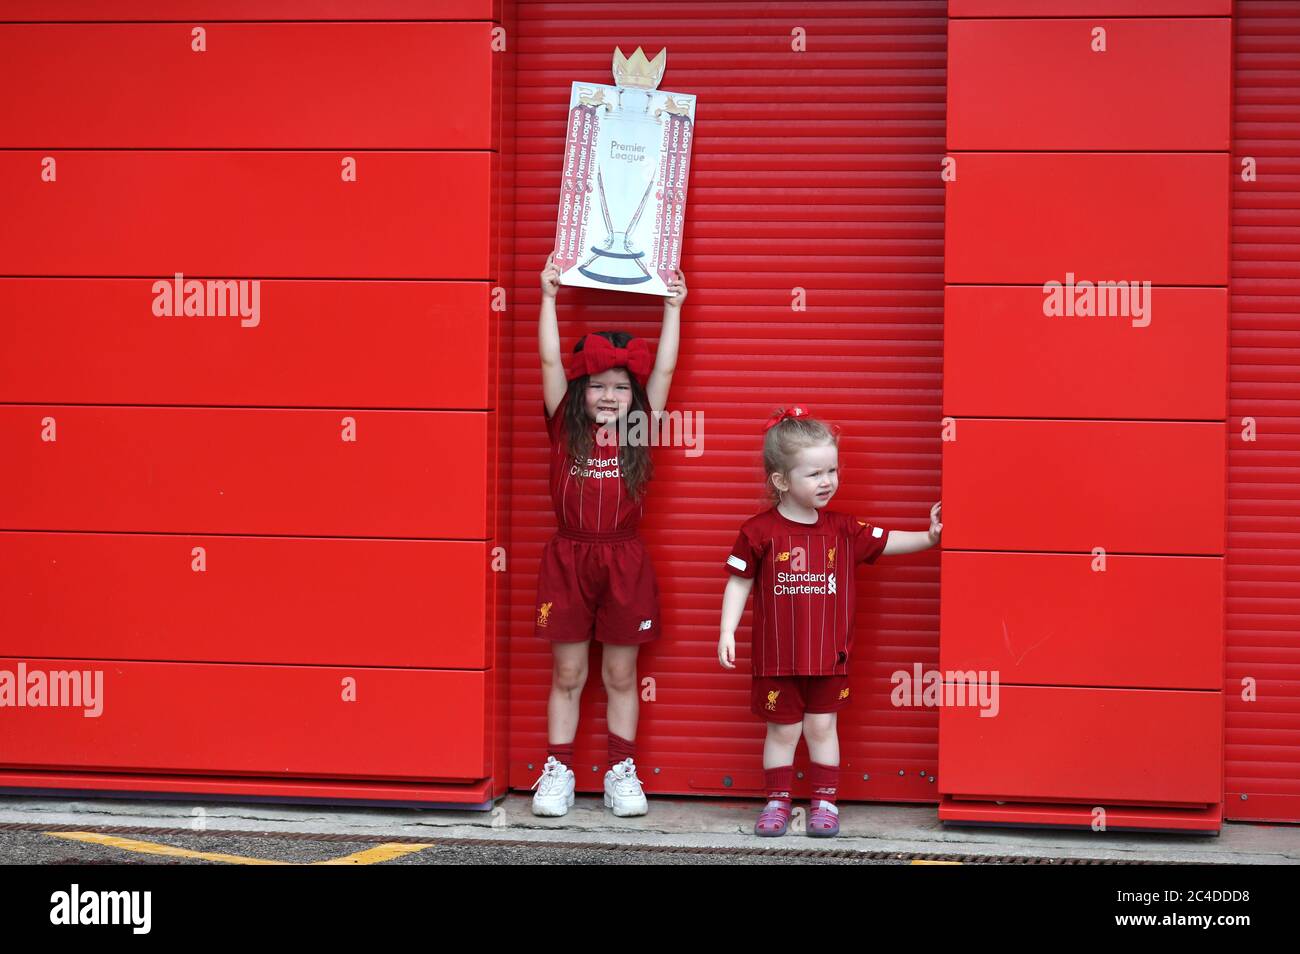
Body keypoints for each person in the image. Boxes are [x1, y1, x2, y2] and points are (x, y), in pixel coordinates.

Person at [718, 406, 941, 837]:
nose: (827, 481)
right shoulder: (757, 532)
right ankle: (777, 802)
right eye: (815, 473)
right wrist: (727, 630)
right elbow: (738, 582)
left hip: (828, 656)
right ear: (781, 481)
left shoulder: (844, 529)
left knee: (822, 728)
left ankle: (824, 802)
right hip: (776, 658)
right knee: (782, 733)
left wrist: (930, 537)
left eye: (833, 470)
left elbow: (888, 540)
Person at [530, 251, 687, 817]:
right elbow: (550, 360)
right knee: (567, 671)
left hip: (624, 562)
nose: (609, 397)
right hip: (568, 558)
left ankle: (622, 770)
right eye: (597, 386)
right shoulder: (561, 424)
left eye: (620, 388)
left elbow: (664, 372)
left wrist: (673, 309)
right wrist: (547, 298)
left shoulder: (642, 426)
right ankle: (559, 771)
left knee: (621, 673)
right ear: (580, 390)